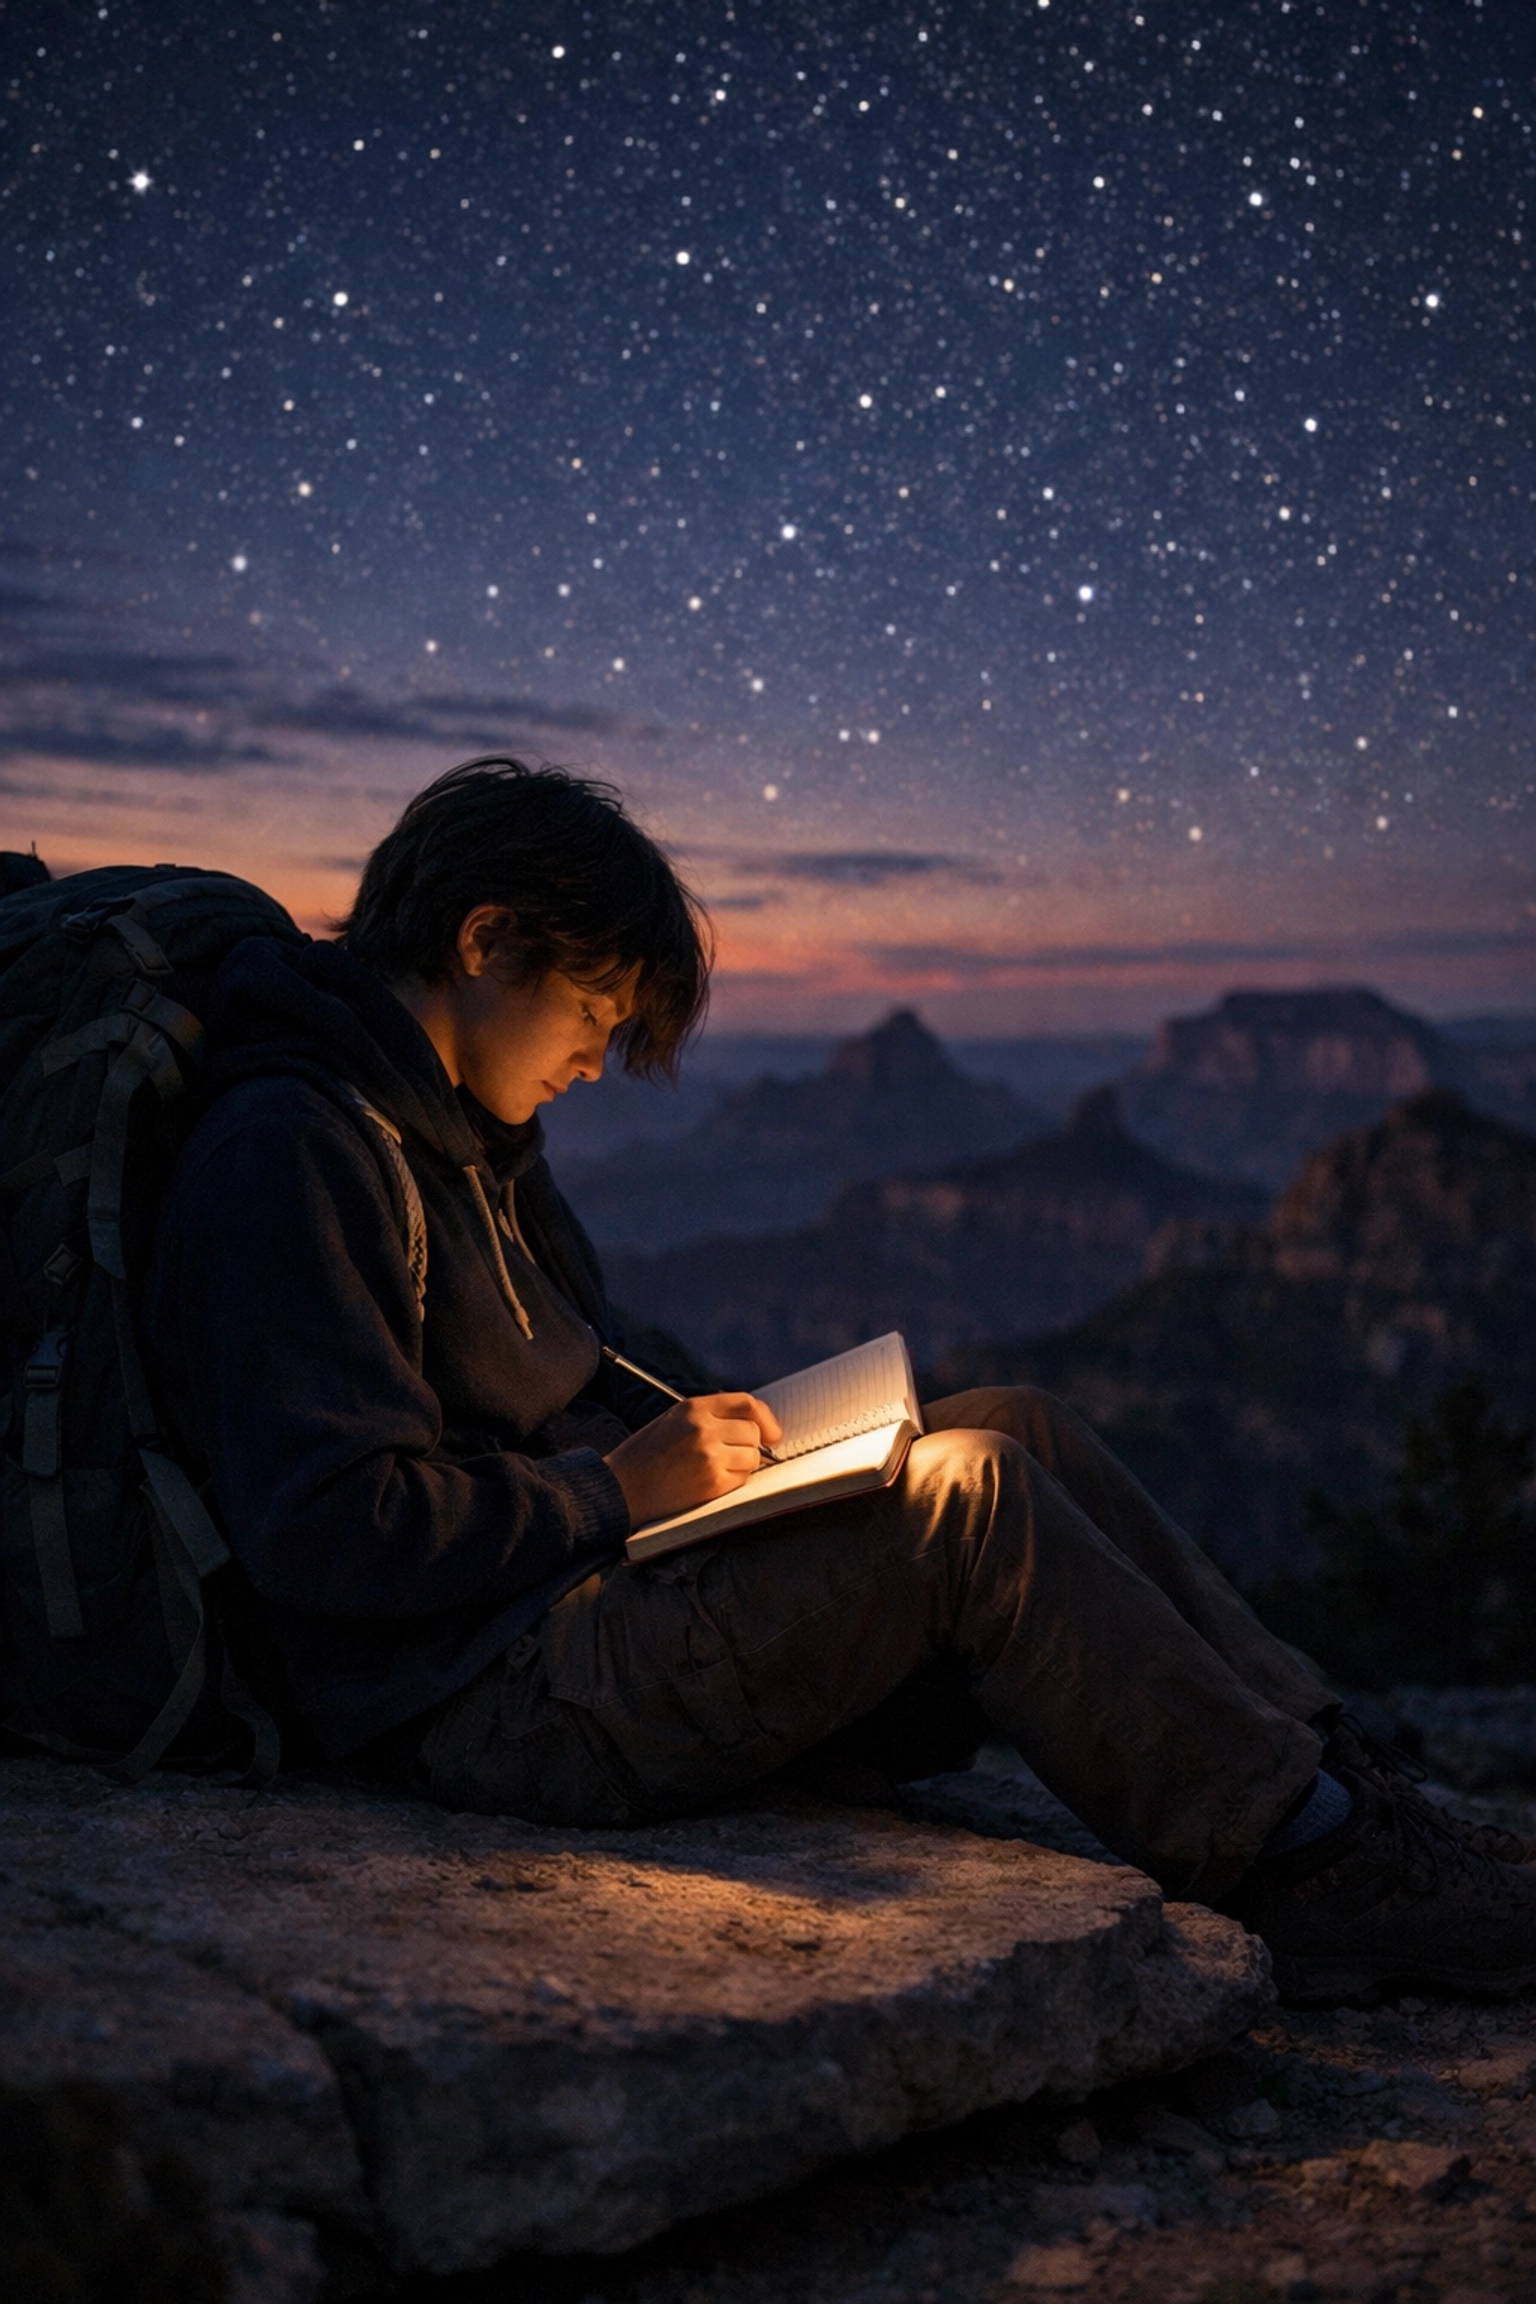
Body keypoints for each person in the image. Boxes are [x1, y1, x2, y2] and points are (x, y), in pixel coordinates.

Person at [145, 758, 1536, 2007]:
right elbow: (322, 1530)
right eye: (590, 1009)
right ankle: (1302, 1867)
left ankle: (1338, 1782)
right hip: (472, 1699)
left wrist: (736, 1452)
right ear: (485, 939)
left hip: (560, 1602)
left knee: (1013, 1421)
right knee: (968, 1497)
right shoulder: (296, 1148)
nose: (597, 1058)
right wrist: (608, 1493)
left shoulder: (465, 1139)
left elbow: (569, 1377)